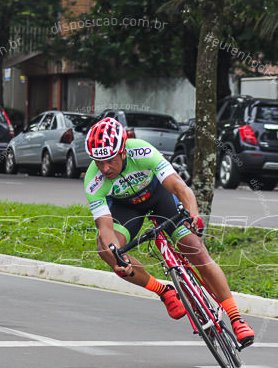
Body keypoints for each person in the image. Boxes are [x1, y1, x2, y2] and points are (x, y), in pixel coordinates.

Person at [83, 117, 255, 347]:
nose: (104, 168)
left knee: (195, 249)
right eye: (98, 161)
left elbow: (178, 187)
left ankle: (236, 319)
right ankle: (163, 290)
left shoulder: (143, 151)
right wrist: (117, 254)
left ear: (123, 151)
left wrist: (193, 216)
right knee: (105, 249)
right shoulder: (93, 180)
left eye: (110, 160)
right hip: (126, 209)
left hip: (160, 197)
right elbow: (104, 226)